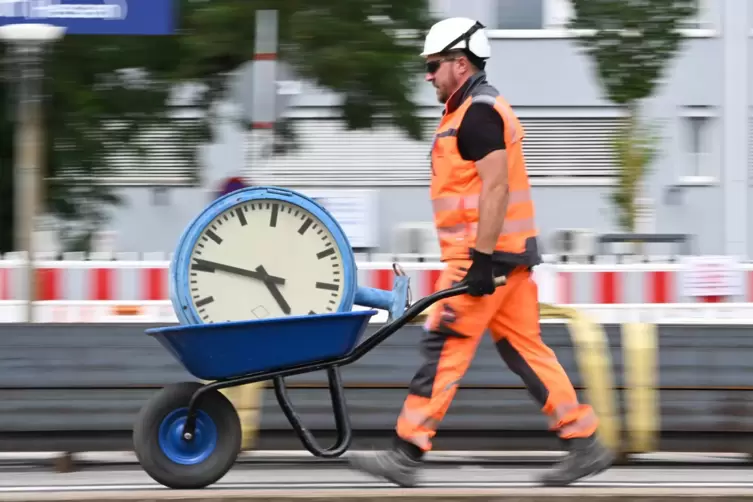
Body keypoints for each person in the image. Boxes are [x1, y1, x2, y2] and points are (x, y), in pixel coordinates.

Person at [347, 17, 615, 487]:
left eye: (433, 66)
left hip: (484, 263)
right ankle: (584, 441)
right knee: (525, 351)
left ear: (459, 63)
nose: (428, 75)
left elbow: (496, 187)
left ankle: (406, 453)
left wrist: (482, 260)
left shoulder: (478, 113)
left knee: (444, 344)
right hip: (504, 260)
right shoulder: (465, 111)